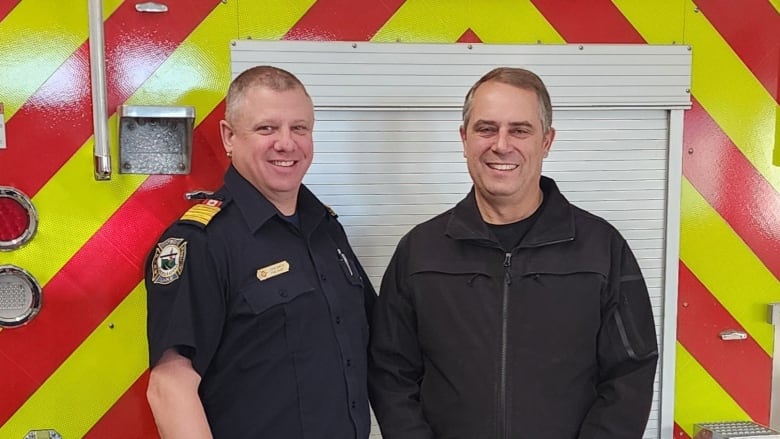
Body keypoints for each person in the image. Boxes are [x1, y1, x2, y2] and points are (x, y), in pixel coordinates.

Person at [368, 67, 659, 439]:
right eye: (486, 128)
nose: (501, 144)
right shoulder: (420, 252)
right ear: (464, 138)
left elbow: (630, 373)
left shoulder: (601, 249)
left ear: (547, 141)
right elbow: (390, 372)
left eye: (520, 130)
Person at [145, 65, 376, 439]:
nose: (286, 143)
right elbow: (170, 384)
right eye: (267, 128)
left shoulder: (327, 230)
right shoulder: (202, 243)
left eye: (299, 128)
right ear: (229, 136)